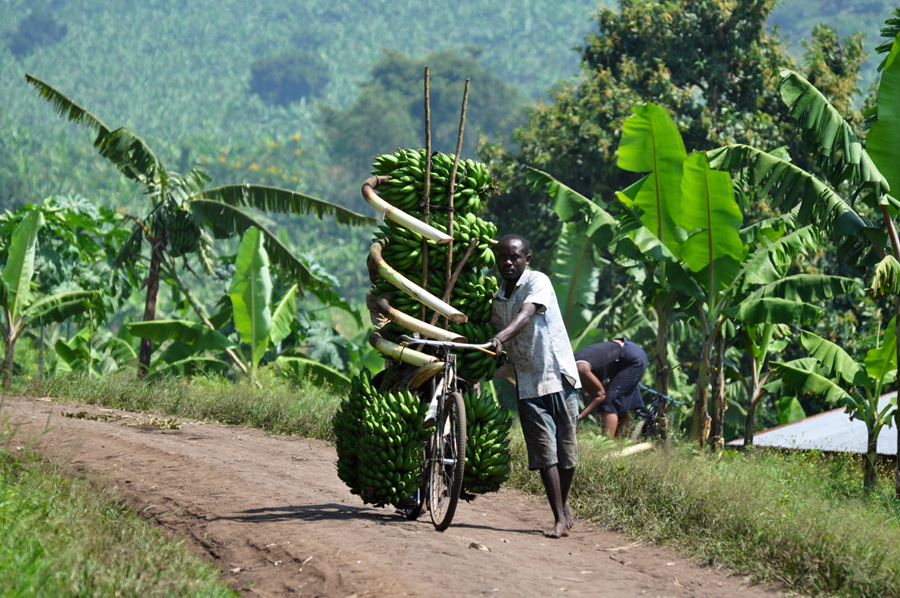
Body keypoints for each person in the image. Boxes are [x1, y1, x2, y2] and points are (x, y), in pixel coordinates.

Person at [489, 234, 581, 539]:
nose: (508, 262)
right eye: (502, 256)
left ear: (527, 259)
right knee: (545, 453)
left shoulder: (537, 282)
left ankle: (563, 504)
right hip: (527, 384)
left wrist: (501, 337)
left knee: (567, 451)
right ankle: (558, 517)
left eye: (514, 257)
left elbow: (527, 315)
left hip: (558, 375)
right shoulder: (498, 299)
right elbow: (497, 327)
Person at [574, 339, 648, 438]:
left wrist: (579, 417)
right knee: (627, 402)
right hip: (630, 352)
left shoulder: (580, 369)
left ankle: (607, 445)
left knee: (609, 403)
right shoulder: (572, 362)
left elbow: (600, 394)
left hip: (630, 357)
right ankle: (620, 445)